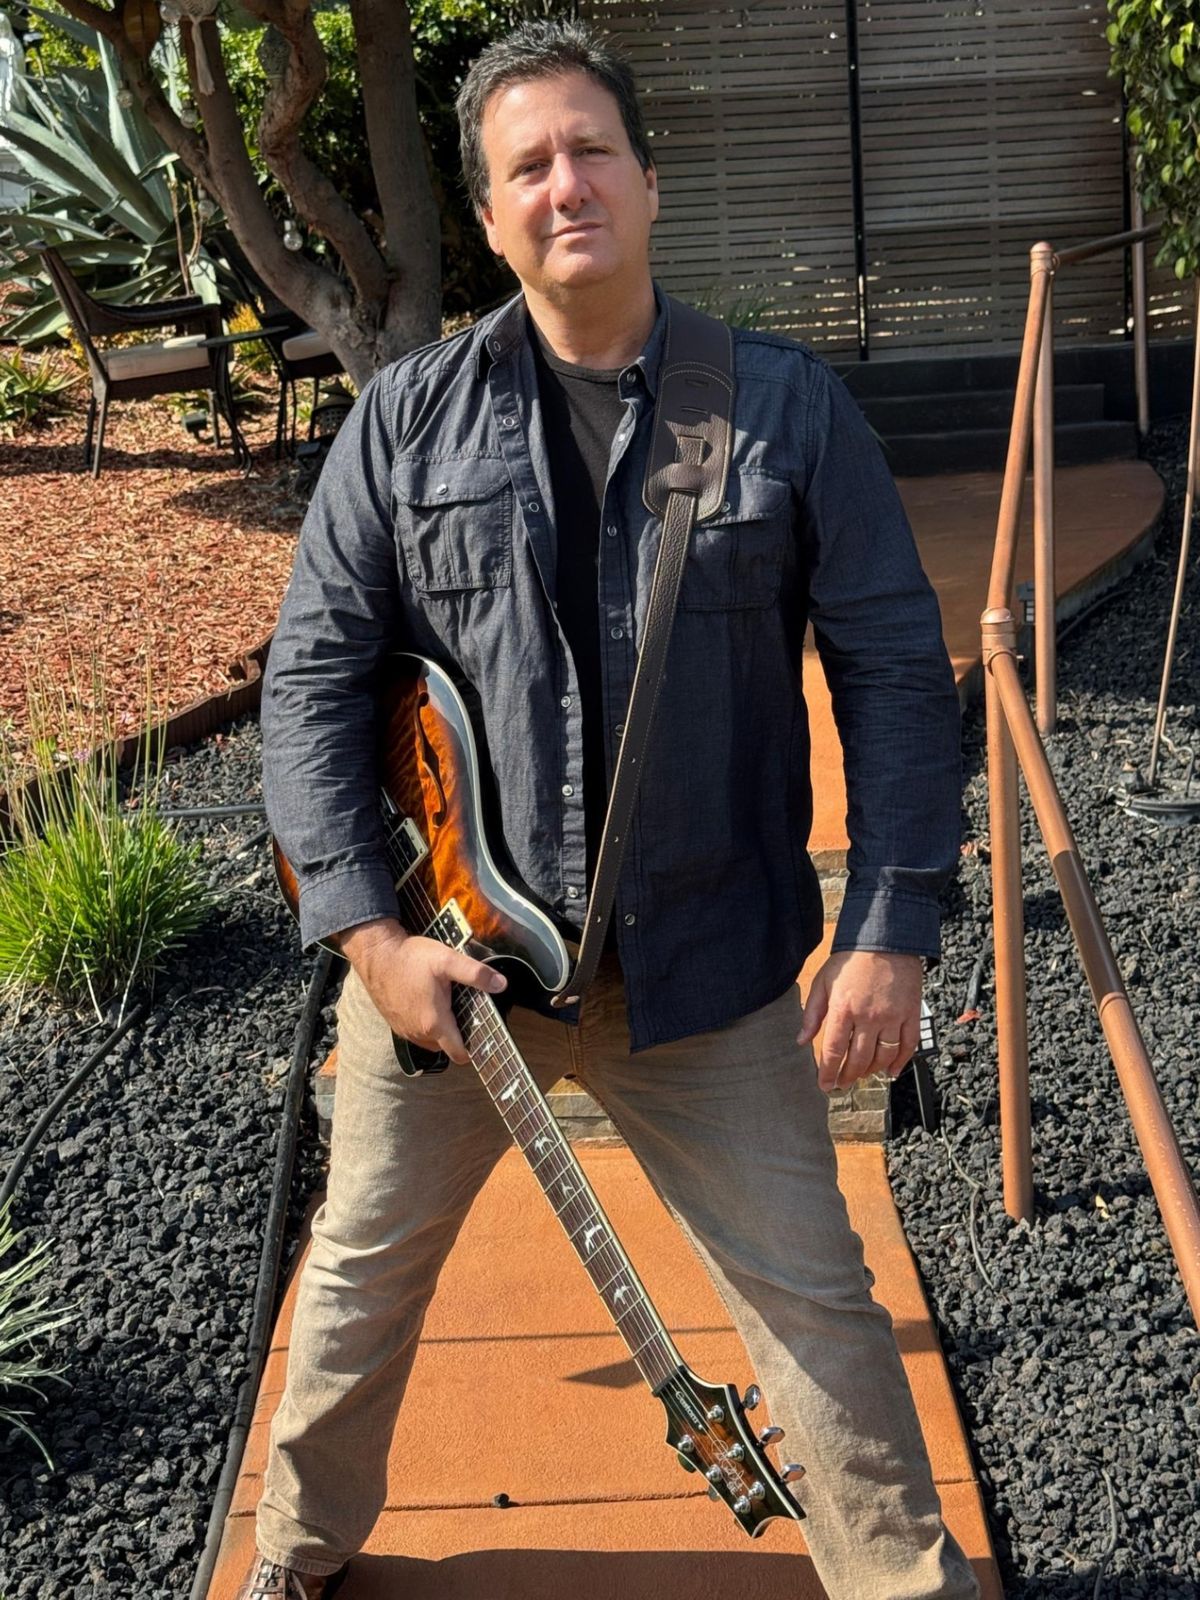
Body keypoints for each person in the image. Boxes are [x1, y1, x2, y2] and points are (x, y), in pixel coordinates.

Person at [246, 19, 979, 1600]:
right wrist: (370, 940)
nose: (565, 183)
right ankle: (290, 1564)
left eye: (591, 150)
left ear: (648, 182)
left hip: (705, 972)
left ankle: (903, 1587)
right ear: (490, 215)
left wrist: (890, 929)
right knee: (354, 1295)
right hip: (455, 980)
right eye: (529, 166)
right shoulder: (404, 423)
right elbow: (308, 687)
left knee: (817, 1309)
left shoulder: (784, 409)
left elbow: (896, 676)